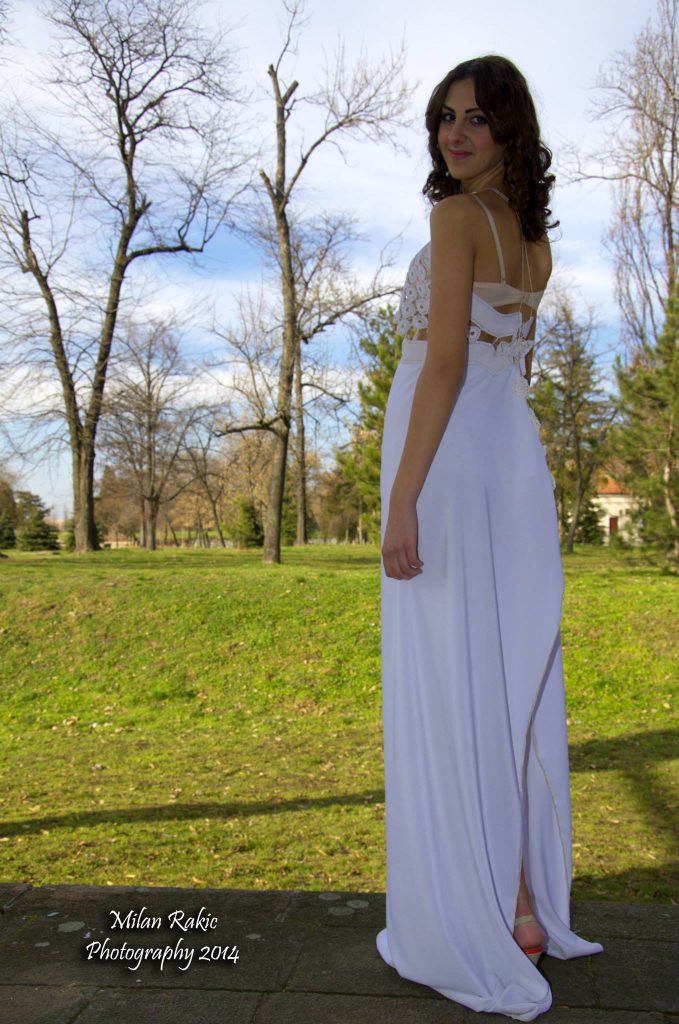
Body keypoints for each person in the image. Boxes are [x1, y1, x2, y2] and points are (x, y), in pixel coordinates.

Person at [376, 55, 604, 1021]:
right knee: (502, 677)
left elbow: (443, 367)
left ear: (510, 127)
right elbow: (510, 365)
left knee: (450, 676)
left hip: (444, 462)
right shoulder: (533, 240)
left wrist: (401, 499)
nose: (455, 134)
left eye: (475, 117)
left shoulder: (455, 217)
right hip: (506, 461)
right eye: (445, 117)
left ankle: (478, 909)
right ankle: (516, 903)